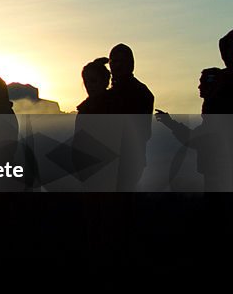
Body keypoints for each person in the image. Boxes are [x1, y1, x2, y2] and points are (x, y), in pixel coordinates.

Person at [156, 68, 233, 191]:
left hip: (217, 174)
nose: (199, 86)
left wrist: (171, 123)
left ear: (211, 85)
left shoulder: (216, 114)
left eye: (202, 82)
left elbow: (195, 139)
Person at [107, 44, 154, 191]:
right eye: (113, 61)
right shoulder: (110, 93)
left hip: (126, 162)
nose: (117, 66)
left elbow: (142, 133)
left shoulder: (140, 93)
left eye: (121, 61)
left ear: (130, 64)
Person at [73, 57, 121, 190]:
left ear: (104, 81)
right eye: (87, 81)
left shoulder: (114, 106)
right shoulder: (83, 111)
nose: (89, 86)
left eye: (93, 81)